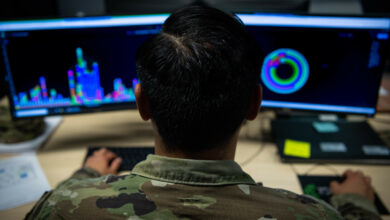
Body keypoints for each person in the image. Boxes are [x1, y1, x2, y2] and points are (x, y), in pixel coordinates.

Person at [26, 4, 381, 220]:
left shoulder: (63, 207)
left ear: (142, 103)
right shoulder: (312, 215)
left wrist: (82, 176)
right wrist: (354, 204)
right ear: (255, 104)